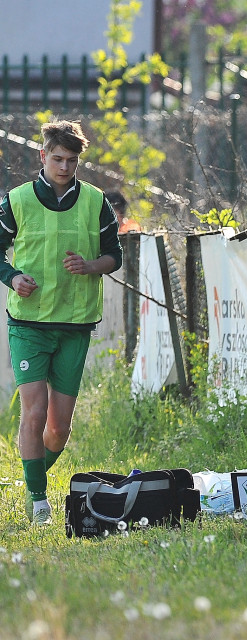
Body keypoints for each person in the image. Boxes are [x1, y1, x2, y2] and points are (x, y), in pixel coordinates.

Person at [0, 120, 123, 524]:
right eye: (58, 159)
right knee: (33, 414)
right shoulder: (16, 200)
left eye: (72, 161)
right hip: (29, 323)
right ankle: (38, 501)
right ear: (42, 156)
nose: (65, 167)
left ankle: (30, 473)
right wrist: (13, 277)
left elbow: (114, 257)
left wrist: (89, 266)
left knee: (59, 429)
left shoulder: (95, 201)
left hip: (75, 324)